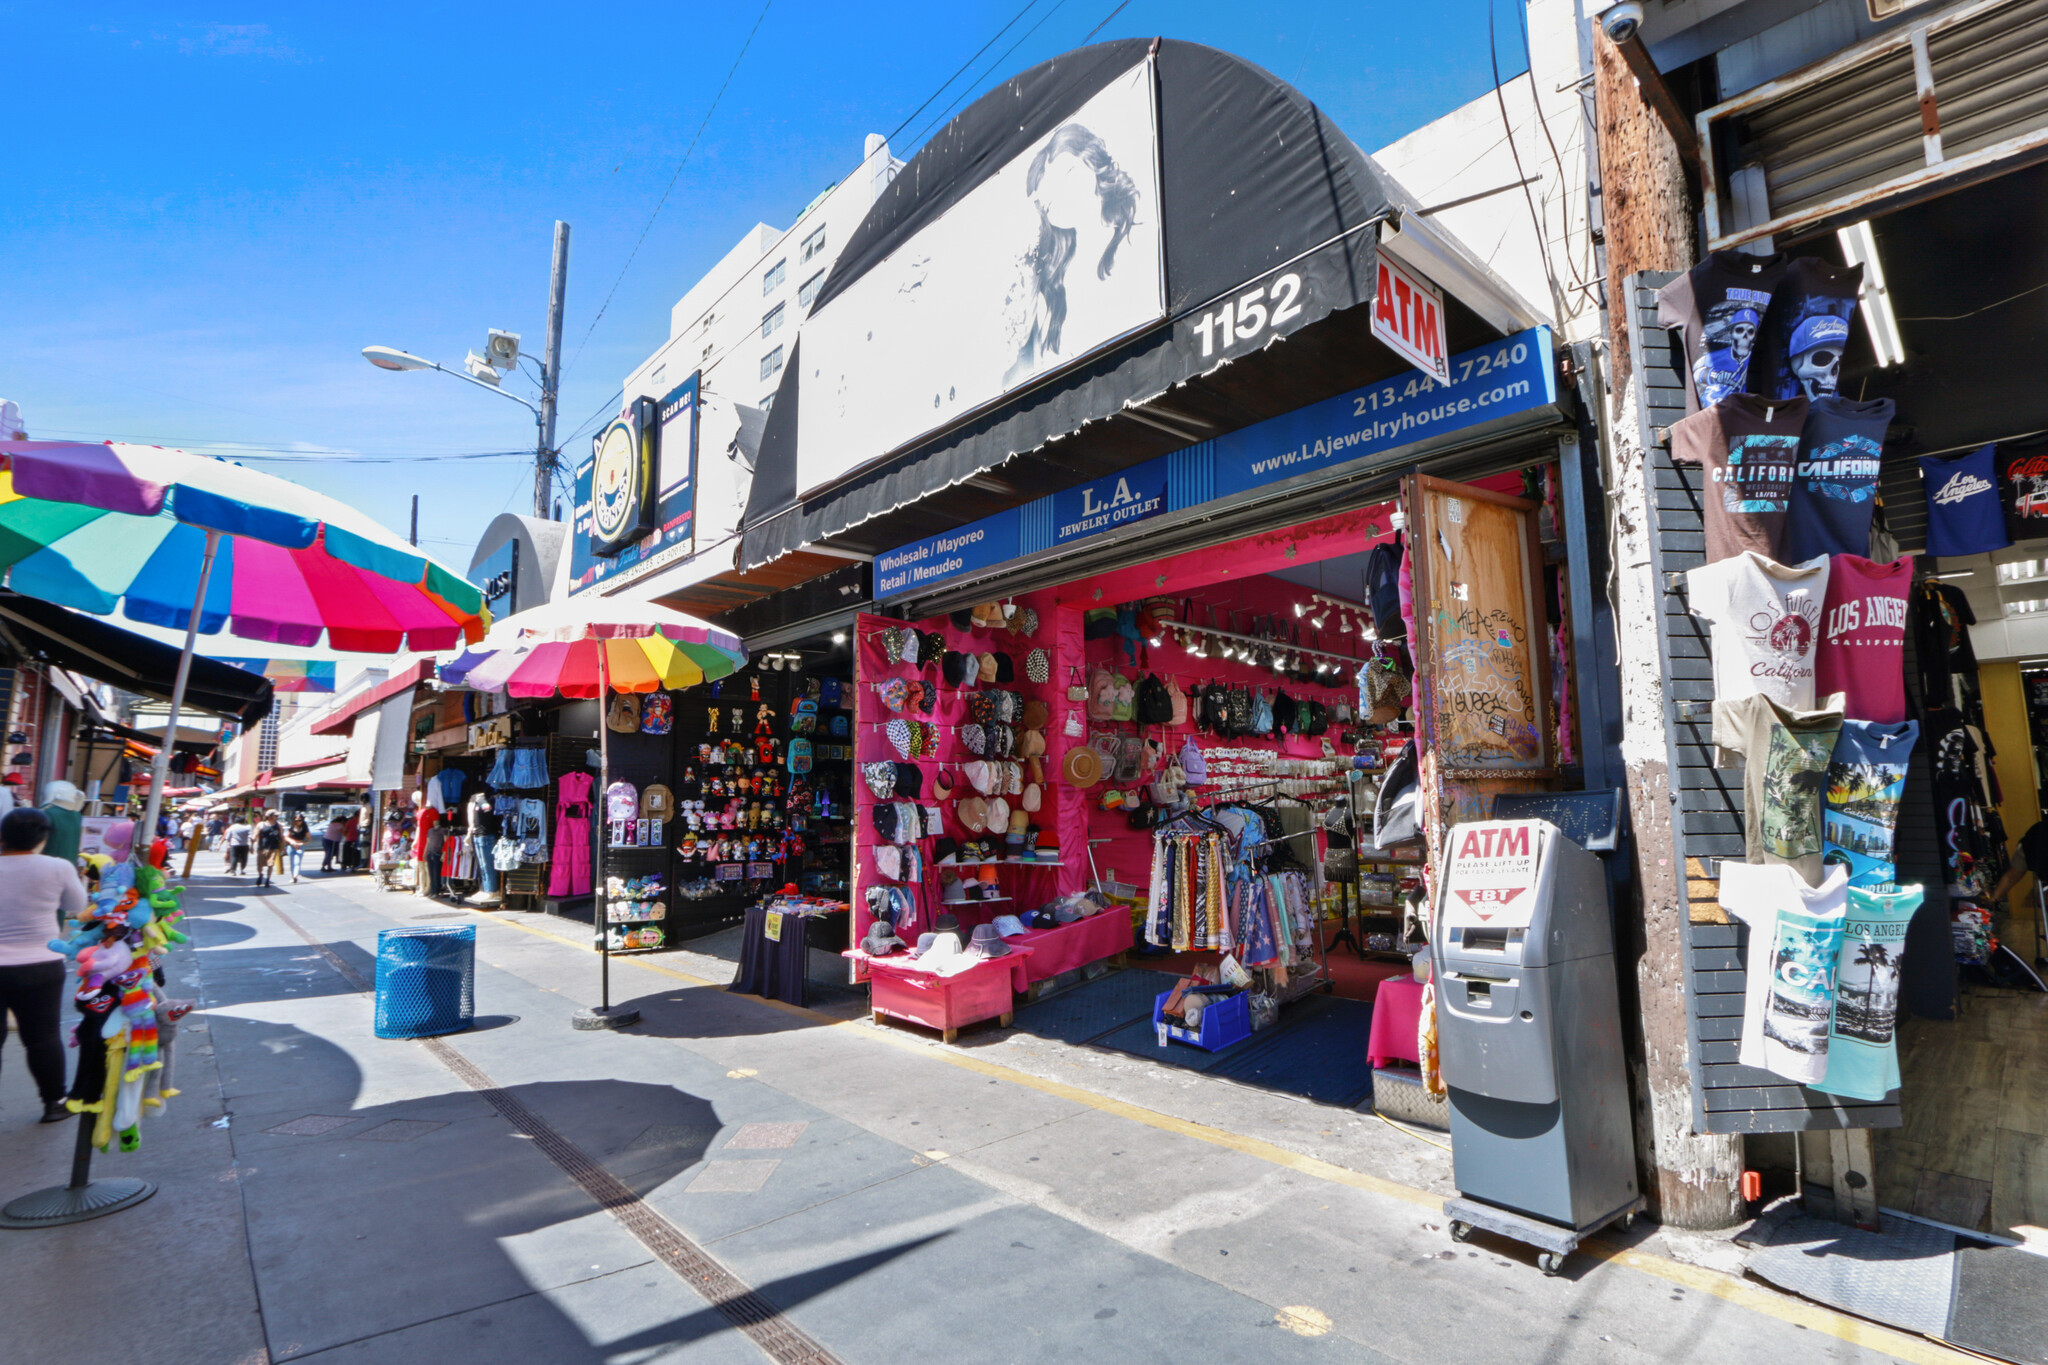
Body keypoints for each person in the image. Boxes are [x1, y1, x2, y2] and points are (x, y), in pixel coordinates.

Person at [0, 806, 86, 1123]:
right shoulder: (58, 867)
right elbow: (78, 906)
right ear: (43, 838)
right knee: (42, 1037)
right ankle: (53, 1102)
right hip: (41, 963)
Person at [254, 812, 284, 887]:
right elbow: (255, 834)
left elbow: (281, 836)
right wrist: (252, 843)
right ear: (269, 816)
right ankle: (260, 875)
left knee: (270, 864)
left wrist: (283, 847)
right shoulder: (261, 825)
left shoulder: (279, 825)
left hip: (274, 848)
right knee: (260, 865)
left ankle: (267, 880)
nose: (277, 817)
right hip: (262, 848)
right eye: (275, 815)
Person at [284, 813, 310, 883]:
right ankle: (293, 877)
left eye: (299, 820)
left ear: (302, 820)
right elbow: (286, 837)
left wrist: (302, 843)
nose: (297, 822)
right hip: (291, 846)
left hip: (300, 846)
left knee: (297, 862)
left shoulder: (304, 829)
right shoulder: (291, 828)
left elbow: (309, 839)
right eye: (296, 820)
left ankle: (295, 876)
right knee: (292, 862)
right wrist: (292, 841)